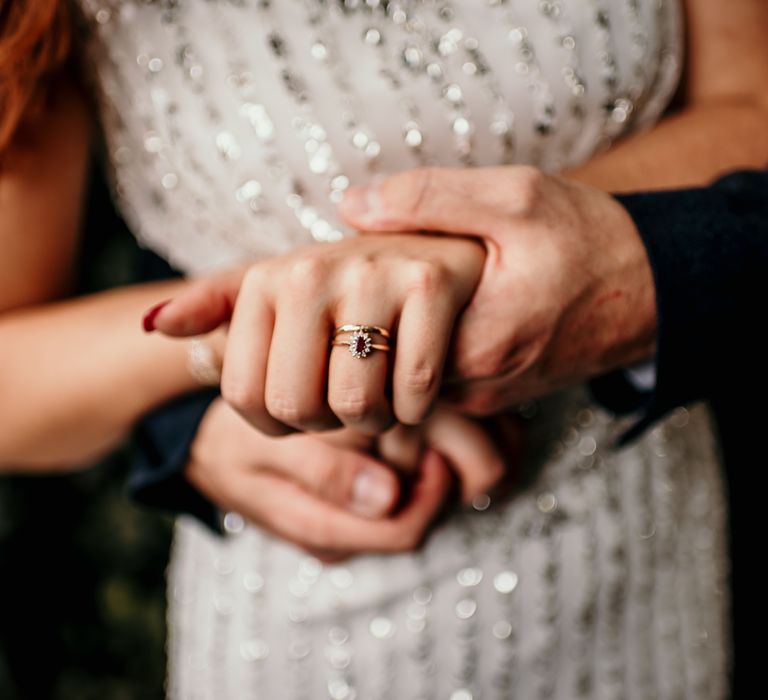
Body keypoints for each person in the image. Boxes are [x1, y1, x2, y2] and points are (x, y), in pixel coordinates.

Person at [2, 1, 766, 698]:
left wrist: (478, 257)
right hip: (321, 614)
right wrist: (237, 349)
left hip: (647, 541)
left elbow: (750, 108)